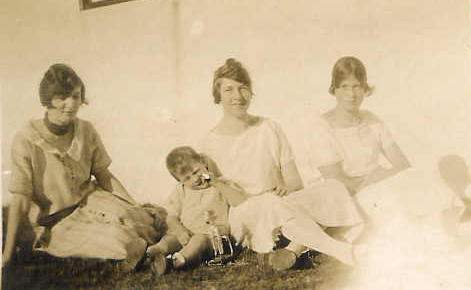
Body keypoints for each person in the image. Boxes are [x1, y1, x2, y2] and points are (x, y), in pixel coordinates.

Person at [199, 58, 365, 271]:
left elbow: (294, 182)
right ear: (218, 95)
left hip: (281, 202)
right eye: (229, 89)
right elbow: (218, 200)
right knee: (269, 202)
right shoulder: (209, 143)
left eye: (243, 88)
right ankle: (342, 251)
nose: (237, 96)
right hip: (245, 213)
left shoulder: (269, 127)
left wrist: (286, 188)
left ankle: (293, 250)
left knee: (332, 187)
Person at [2, 64, 161, 272]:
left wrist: (133, 205)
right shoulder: (25, 140)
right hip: (59, 222)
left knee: (138, 218)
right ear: (48, 99)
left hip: (92, 201)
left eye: (76, 96)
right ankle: (154, 255)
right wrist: (6, 253)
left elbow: (104, 175)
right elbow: (21, 200)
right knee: (118, 239)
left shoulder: (86, 130)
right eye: (62, 97)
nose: (70, 104)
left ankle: (161, 246)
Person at [304, 56, 465, 228]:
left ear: (364, 88)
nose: (351, 94)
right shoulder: (320, 126)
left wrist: (382, 177)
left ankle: (459, 212)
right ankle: (451, 222)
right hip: (346, 200)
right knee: (406, 206)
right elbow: (338, 184)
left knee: (430, 179)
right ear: (334, 89)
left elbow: (403, 165)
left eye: (357, 86)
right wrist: (378, 177)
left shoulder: (372, 121)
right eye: (344, 87)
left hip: (379, 187)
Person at [145, 146, 246, 275]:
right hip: (185, 233)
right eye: (187, 178)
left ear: (203, 163)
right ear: (180, 181)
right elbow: (171, 217)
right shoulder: (181, 190)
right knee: (169, 240)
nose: (194, 179)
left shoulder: (221, 184)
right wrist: (179, 231)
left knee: (198, 241)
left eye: (196, 172)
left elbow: (240, 201)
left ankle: (175, 261)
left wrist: (216, 183)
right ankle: (149, 254)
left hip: (212, 237)